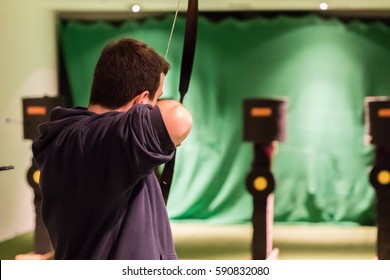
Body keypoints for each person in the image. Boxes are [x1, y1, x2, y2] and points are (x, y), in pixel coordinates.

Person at [32, 38, 192, 260]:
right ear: (142, 101)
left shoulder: (78, 138)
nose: (157, 105)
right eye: (157, 98)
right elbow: (178, 118)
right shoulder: (94, 141)